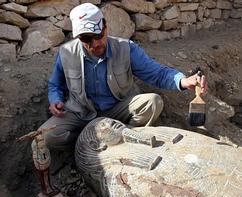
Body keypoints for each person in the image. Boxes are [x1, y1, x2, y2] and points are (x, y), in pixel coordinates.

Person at [38, 3, 207, 152]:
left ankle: (122, 139)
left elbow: (157, 73)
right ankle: (88, 144)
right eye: (86, 39)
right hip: (81, 113)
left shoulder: (126, 49)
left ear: (106, 28)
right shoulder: (66, 53)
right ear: (78, 37)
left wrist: (183, 81)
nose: (95, 44)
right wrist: (55, 100)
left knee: (153, 103)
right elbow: (55, 85)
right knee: (46, 137)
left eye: (98, 36)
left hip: (117, 110)